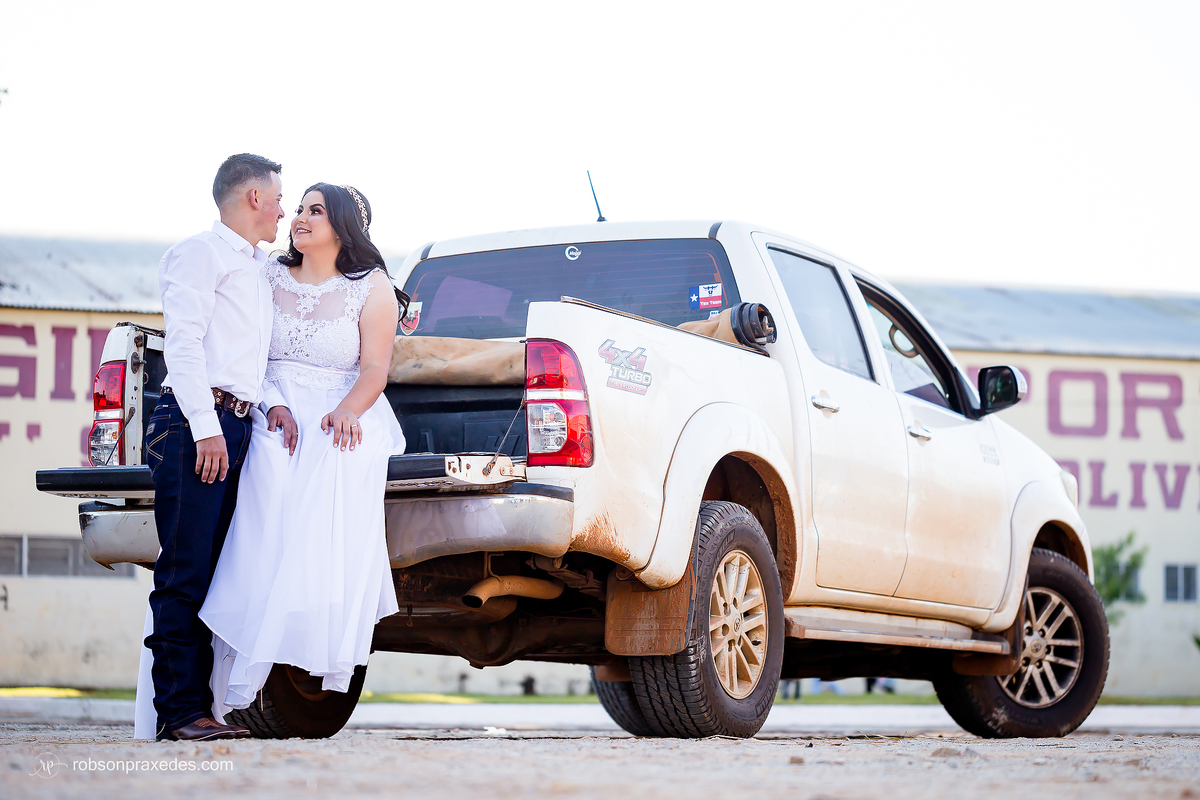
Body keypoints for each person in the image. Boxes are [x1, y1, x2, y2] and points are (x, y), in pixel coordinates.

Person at [200, 183, 405, 721]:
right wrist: (271, 405)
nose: (299, 218)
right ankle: (240, 638)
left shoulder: (372, 286)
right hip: (272, 401)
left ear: (342, 227)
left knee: (333, 454)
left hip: (345, 406)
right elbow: (250, 354)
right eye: (299, 208)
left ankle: (306, 624)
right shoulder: (268, 274)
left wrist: (346, 411)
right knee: (271, 462)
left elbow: (374, 370)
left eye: (316, 210)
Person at [140, 154, 290, 741]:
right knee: (184, 570)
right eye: (280, 197)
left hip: (237, 422)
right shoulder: (199, 253)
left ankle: (202, 709)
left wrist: (268, 402)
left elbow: (254, 356)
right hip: (192, 424)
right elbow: (184, 345)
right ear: (253, 197)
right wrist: (205, 427)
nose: (283, 209)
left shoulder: (258, 268)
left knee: (220, 572)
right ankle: (179, 712)